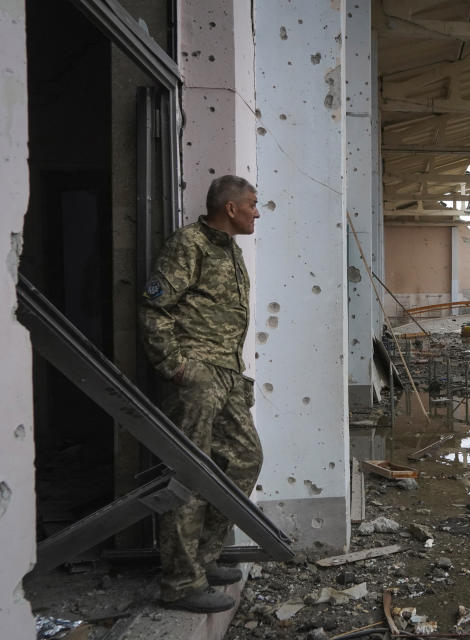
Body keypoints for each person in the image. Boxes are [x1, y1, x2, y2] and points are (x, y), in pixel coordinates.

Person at [140, 175, 262, 613]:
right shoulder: (188, 243)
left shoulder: (230, 251)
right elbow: (155, 308)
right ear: (229, 208)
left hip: (227, 375)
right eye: (251, 204)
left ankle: (205, 558)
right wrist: (176, 365)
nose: (256, 212)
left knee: (245, 458)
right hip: (196, 375)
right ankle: (180, 581)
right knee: (189, 474)